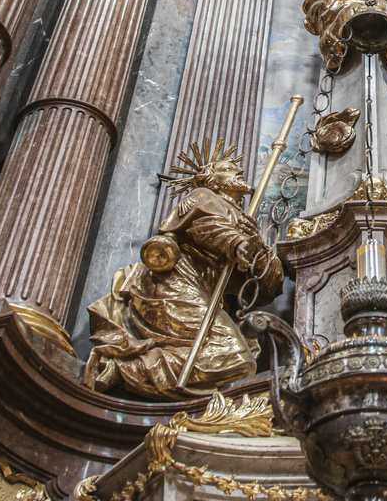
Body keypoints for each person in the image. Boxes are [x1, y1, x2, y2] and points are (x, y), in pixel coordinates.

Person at [84, 143, 283, 399]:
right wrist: (236, 243)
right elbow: (206, 228)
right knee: (235, 358)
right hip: (172, 287)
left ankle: (124, 368)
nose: (239, 172)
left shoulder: (241, 219)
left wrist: (258, 252)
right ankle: (118, 369)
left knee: (236, 361)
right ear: (211, 180)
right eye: (228, 168)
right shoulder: (203, 197)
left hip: (202, 293)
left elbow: (265, 287)